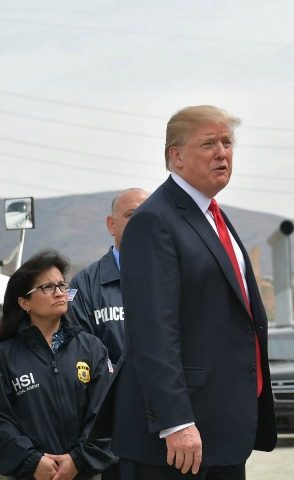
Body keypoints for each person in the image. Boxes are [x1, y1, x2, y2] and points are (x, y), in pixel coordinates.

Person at [110, 105, 276, 480]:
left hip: (221, 430)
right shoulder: (155, 220)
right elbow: (153, 330)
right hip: (179, 440)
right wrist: (175, 422)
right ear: (177, 156)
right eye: (208, 144)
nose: (222, 153)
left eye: (227, 142)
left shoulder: (214, 217)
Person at [0, 250, 115, 479]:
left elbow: (107, 412)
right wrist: (33, 462)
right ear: (24, 303)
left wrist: (77, 460)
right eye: (47, 287)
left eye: (62, 285)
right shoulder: (5, 356)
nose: (59, 293)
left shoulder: (92, 349)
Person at [69, 188, 149, 366]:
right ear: (111, 225)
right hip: (109, 392)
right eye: (131, 215)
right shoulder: (85, 285)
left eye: (148, 215)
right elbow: (79, 352)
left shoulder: (173, 277)